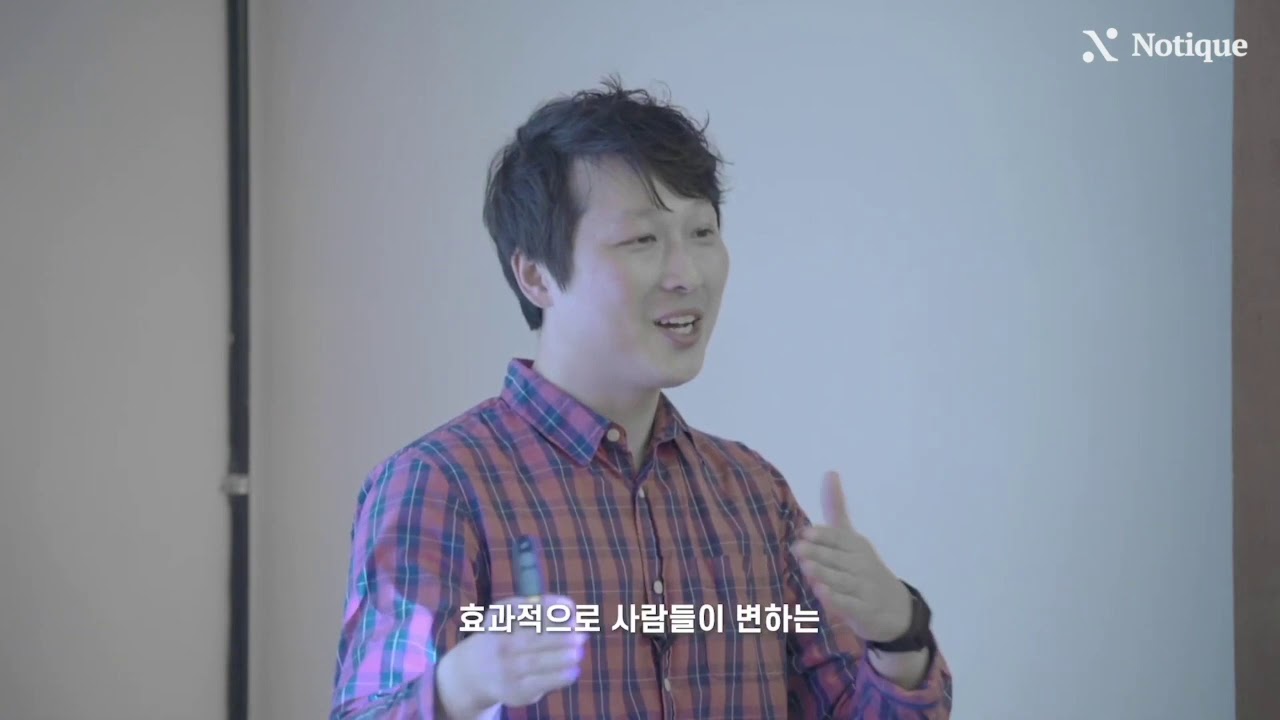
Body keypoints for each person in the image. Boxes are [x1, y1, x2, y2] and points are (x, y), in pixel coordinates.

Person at [330, 77, 953, 719]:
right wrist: (461, 684)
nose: (687, 274)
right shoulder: (440, 485)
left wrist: (898, 634)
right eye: (643, 240)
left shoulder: (753, 495)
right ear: (536, 275)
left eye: (702, 232)